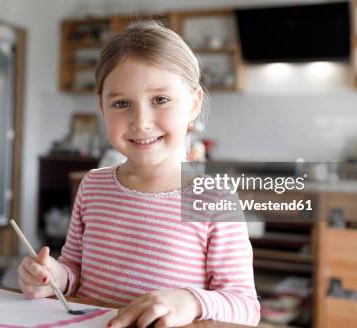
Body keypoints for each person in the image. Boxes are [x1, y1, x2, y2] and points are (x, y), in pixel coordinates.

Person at [18, 22, 260, 327]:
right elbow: (74, 270)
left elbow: (245, 307)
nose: (141, 122)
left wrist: (191, 300)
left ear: (194, 103)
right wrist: (53, 276)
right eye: (121, 103)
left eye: (160, 100)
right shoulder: (93, 185)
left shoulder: (215, 198)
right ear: (102, 108)